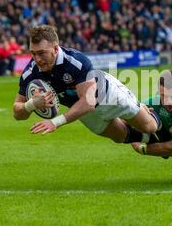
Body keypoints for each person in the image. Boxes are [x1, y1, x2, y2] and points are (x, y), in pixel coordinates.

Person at [12, 25, 160, 143]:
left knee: (150, 126)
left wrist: (55, 122)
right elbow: (17, 113)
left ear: (56, 49)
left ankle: (155, 116)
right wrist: (31, 104)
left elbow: (88, 102)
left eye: (42, 53)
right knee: (119, 137)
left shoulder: (76, 61)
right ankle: (150, 141)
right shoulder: (30, 73)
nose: (37, 59)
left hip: (107, 96)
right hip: (80, 110)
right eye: (33, 53)